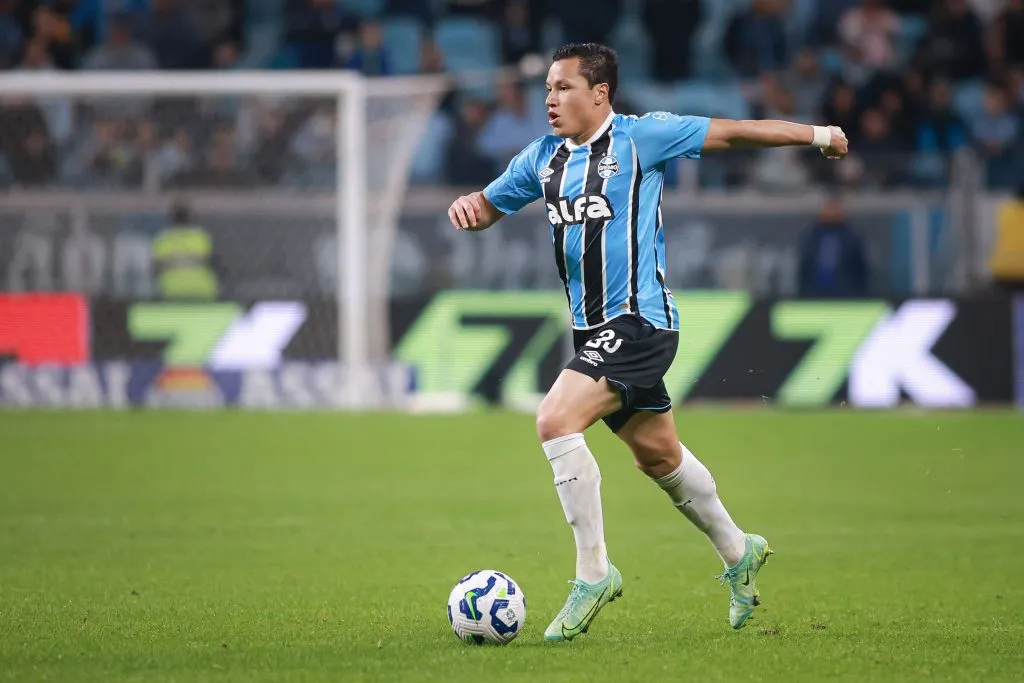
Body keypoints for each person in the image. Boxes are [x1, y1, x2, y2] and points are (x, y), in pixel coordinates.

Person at [446, 43, 848, 641]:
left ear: (600, 93)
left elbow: (736, 134)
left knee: (555, 420)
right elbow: (488, 205)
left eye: (564, 88)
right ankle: (740, 551)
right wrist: (469, 208)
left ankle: (593, 573)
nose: (550, 100)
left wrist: (817, 133)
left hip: (640, 322)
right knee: (658, 455)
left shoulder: (643, 138)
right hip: (594, 331)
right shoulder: (541, 159)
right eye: (548, 89)